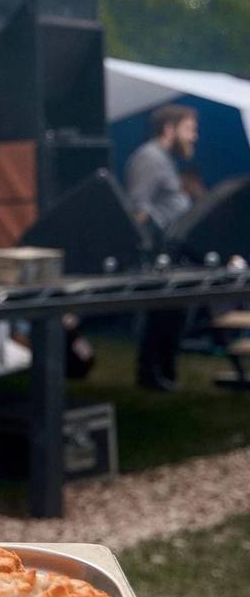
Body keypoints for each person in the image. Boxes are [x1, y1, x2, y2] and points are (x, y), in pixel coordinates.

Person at [125, 103, 199, 390]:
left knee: (174, 314)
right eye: (190, 129)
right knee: (161, 314)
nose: (194, 136)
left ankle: (164, 373)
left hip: (173, 250)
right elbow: (139, 209)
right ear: (169, 129)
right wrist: (151, 250)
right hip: (160, 254)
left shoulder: (164, 159)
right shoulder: (149, 158)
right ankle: (151, 374)